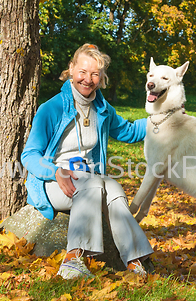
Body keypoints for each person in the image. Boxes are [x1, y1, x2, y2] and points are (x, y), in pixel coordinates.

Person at [21, 44, 153, 279]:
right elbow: (29, 155)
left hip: (90, 180)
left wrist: (160, 120)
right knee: (92, 184)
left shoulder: (102, 109)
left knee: (113, 187)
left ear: (101, 78)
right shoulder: (51, 108)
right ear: (71, 69)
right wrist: (55, 172)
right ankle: (73, 261)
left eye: (94, 74)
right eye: (83, 72)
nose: (88, 79)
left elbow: (128, 131)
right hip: (56, 183)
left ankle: (134, 262)